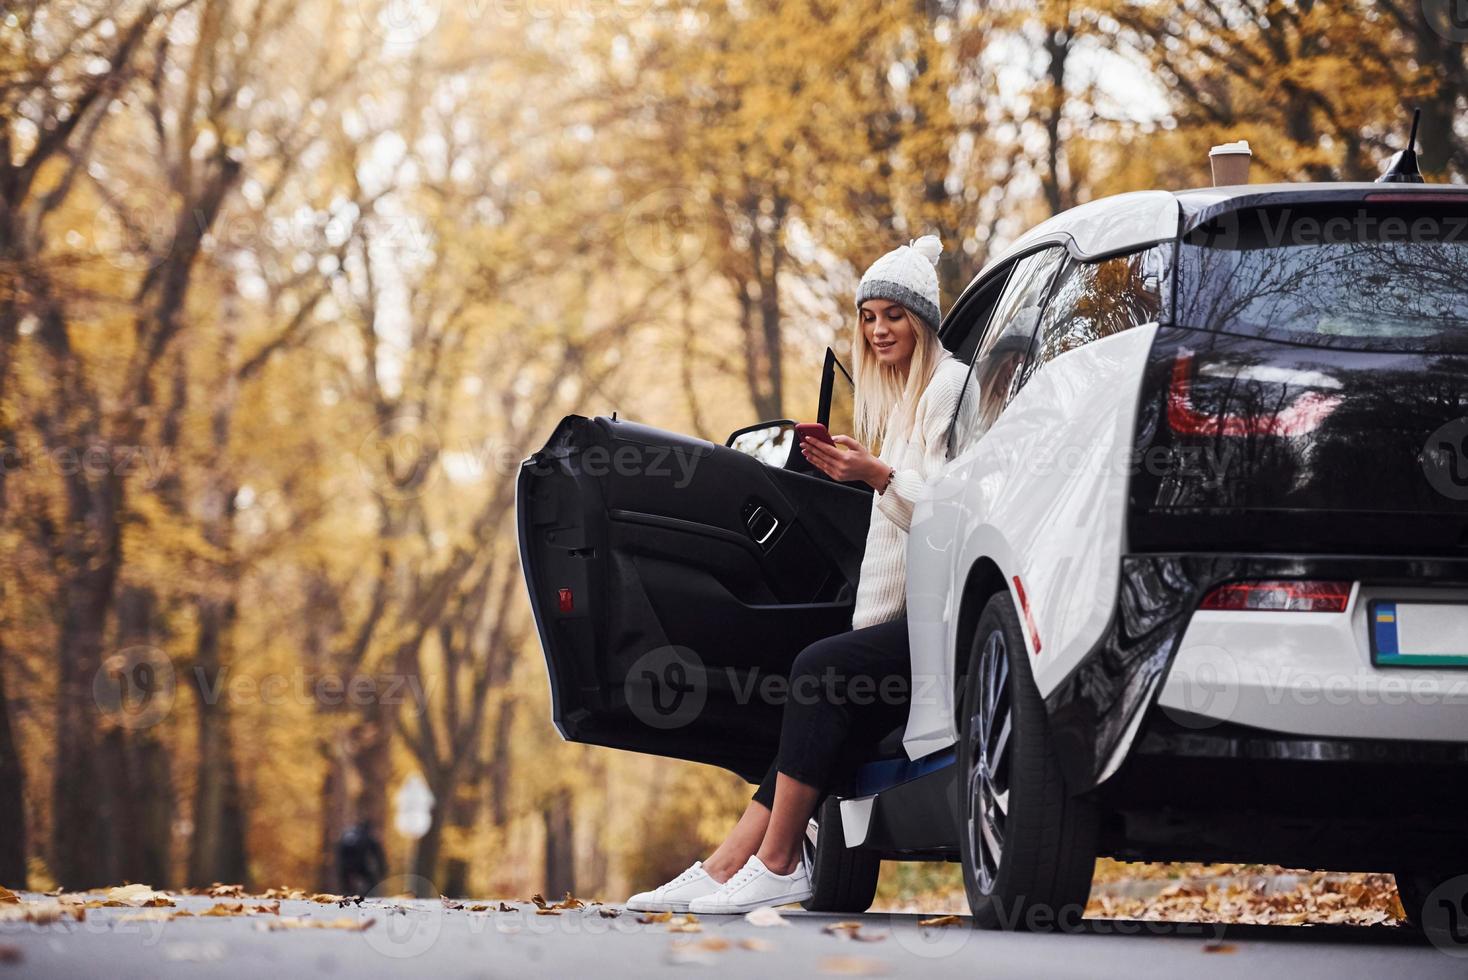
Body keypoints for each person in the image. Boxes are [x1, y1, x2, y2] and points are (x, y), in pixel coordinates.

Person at [626, 235, 969, 914]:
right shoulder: (902, 401)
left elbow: (956, 514)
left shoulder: (950, 388)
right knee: (809, 683)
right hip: (912, 616)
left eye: (894, 316)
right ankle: (729, 863)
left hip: (955, 614)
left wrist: (876, 475)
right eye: (868, 317)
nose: (878, 331)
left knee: (820, 668)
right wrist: (866, 473)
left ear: (924, 321)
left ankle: (779, 862)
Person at [337, 819, 387, 896]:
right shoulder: (367, 835)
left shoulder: (348, 834)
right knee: (371, 881)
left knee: (347, 884)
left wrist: (340, 864)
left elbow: (339, 849)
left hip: (345, 864)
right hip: (359, 864)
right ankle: (365, 895)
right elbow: (377, 852)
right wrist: (382, 869)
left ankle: (348, 893)